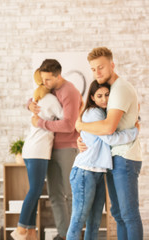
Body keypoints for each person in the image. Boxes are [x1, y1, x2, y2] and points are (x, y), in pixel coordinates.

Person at [75, 47, 143, 239]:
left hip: (125, 157)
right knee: (119, 215)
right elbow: (102, 126)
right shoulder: (111, 90)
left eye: (101, 67)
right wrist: (82, 136)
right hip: (114, 158)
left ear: (112, 65)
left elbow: (108, 128)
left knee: (128, 215)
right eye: (93, 69)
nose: (97, 72)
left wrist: (80, 125)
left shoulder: (120, 89)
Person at [28, 59, 82, 240]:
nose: (44, 83)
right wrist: (29, 104)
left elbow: (69, 125)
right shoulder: (50, 88)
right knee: (55, 195)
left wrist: (40, 123)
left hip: (67, 148)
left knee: (70, 193)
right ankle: (63, 234)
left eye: (48, 80)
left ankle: (75, 235)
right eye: (43, 80)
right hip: (49, 149)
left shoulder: (70, 92)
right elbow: (38, 96)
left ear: (58, 76)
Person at [11, 70, 63, 240]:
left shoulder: (38, 98)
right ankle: (20, 229)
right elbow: (66, 119)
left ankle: (31, 232)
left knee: (35, 191)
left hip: (31, 150)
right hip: (38, 151)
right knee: (35, 190)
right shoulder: (51, 100)